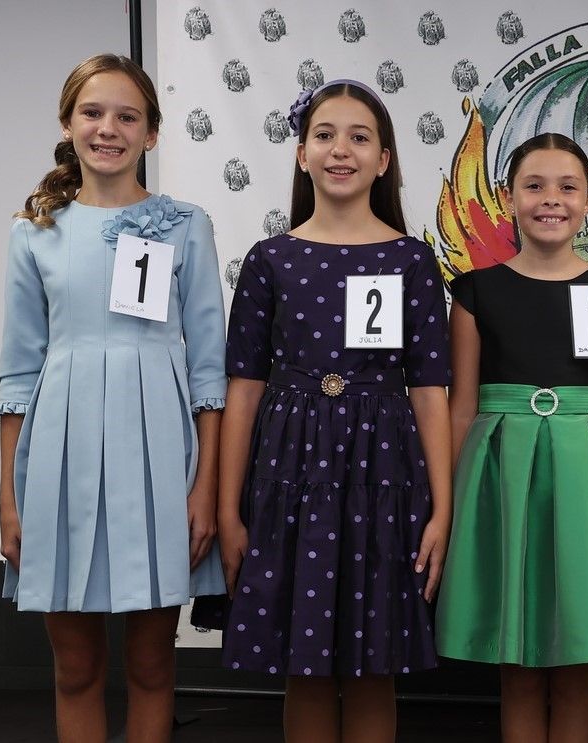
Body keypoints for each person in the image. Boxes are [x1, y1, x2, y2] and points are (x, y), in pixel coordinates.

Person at [0, 53, 226, 742]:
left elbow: (210, 373)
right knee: (75, 668)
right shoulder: (33, 231)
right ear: (68, 124)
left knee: (155, 665)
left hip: (159, 461)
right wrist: (10, 494)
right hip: (60, 456)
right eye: (93, 112)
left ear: (152, 133)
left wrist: (205, 487)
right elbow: (17, 373)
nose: (109, 128)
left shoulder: (186, 225)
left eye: (128, 116)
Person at [216, 79, 453, 742]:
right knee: (306, 665)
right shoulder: (272, 259)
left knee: (375, 664)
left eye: (359, 137)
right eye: (325, 135)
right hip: (293, 475)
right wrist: (229, 506)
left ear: (384, 159)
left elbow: (431, 389)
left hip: (383, 476)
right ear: (301, 154)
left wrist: (443, 505)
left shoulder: (411, 259)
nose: (340, 149)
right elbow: (244, 389)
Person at [436, 132, 588, 743]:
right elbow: (460, 409)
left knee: (579, 661)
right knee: (517, 664)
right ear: (508, 197)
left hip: (587, 479)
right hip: (504, 479)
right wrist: (450, 503)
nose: (552, 199)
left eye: (568, 186)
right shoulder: (474, 293)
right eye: (535, 185)